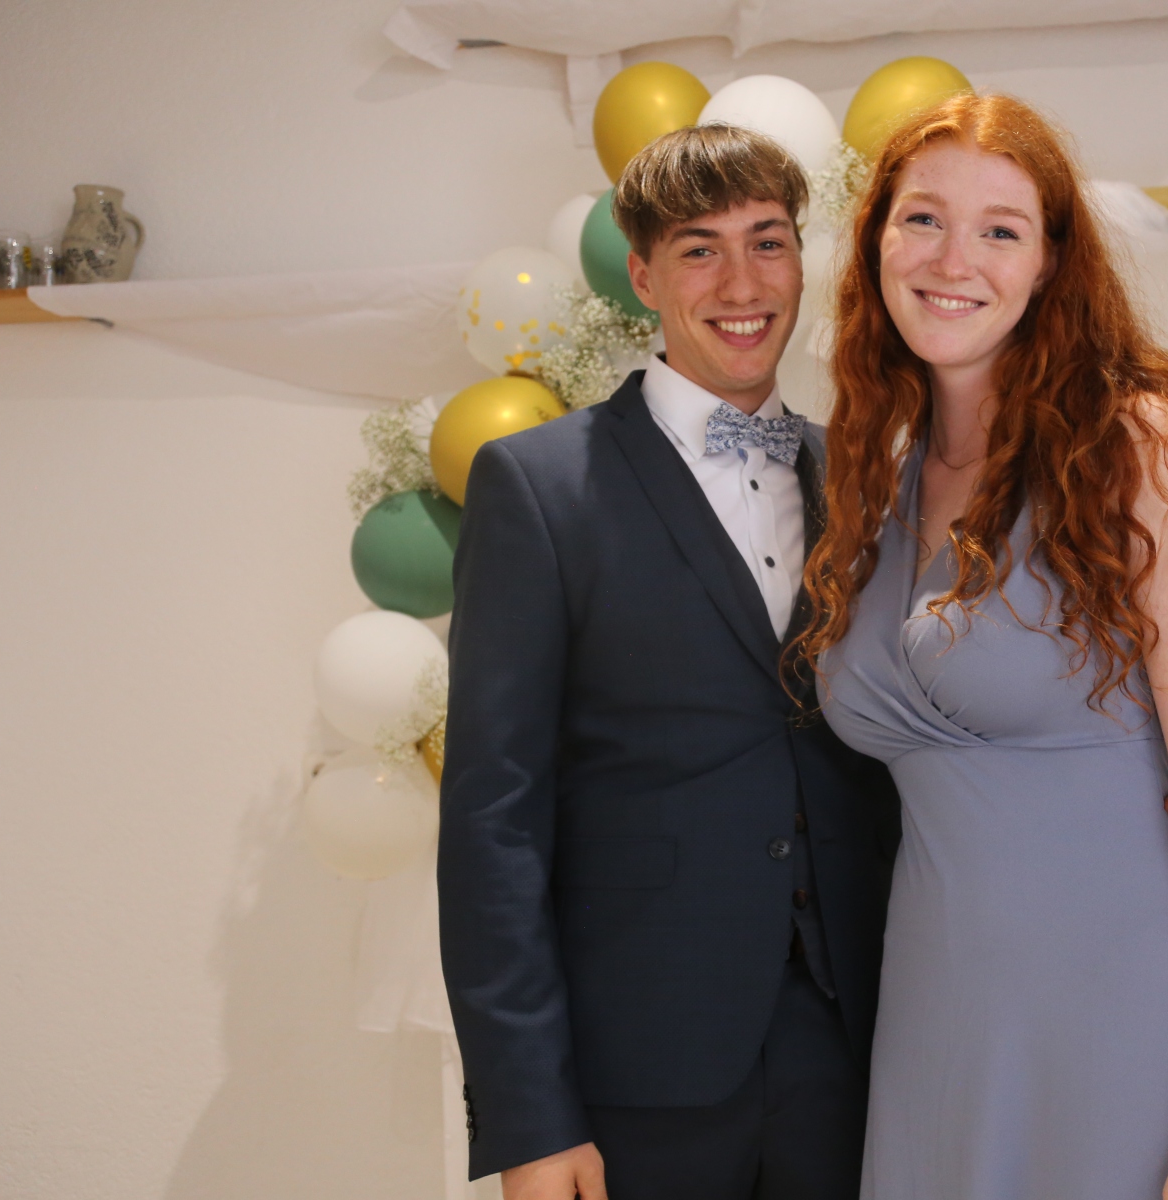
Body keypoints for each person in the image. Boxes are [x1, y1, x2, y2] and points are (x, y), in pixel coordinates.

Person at [798, 93, 1168, 1200]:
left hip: (1118, 1015)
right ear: (876, 241)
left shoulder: (1132, 443)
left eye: (1001, 229)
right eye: (923, 219)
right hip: (938, 1032)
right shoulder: (882, 478)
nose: (953, 259)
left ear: (1048, 265)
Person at [437, 123, 900, 1200]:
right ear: (644, 277)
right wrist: (530, 1120)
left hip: (855, 1058)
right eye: (700, 250)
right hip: (635, 1075)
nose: (742, 283)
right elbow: (494, 822)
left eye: (768, 242)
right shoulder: (538, 489)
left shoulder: (865, 479)